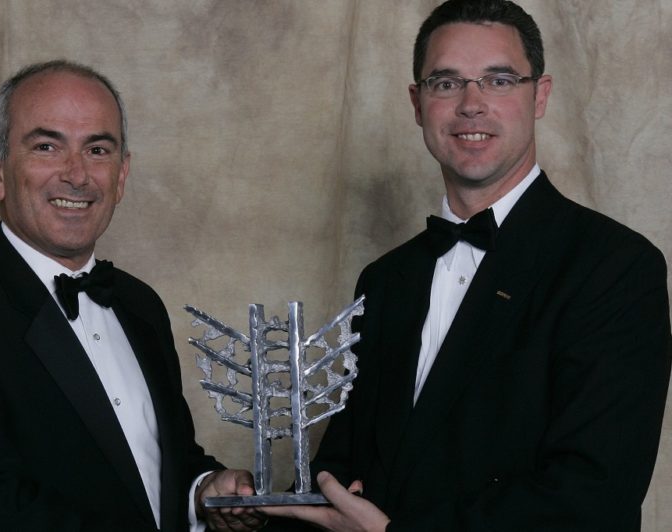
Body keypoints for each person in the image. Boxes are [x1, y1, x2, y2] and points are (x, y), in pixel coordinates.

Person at [264, 1, 671, 530]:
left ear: (539, 95)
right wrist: (261, 507)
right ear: (418, 103)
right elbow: (345, 466)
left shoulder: (616, 266)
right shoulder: (387, 279)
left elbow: (592, 497)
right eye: (446, 83)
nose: (471, 105)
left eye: (499, 80)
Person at [0, 60, 265, 532]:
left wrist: (203, 493)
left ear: (121, 175)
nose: (77, 175)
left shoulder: (139, 304)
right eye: (46, 146)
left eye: (97, 150)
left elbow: (155, 466)